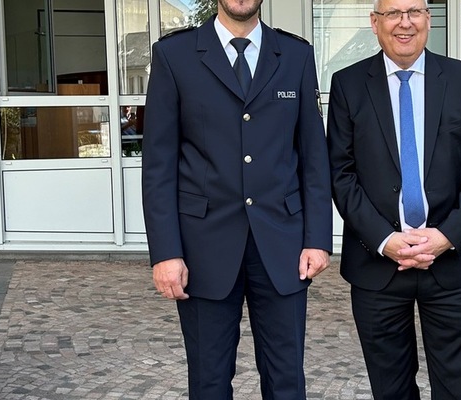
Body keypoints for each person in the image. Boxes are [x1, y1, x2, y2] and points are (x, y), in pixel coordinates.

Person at [141, 0, 333, 398]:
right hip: (202, 248)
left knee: (286, 381)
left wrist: (317, 238)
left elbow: (314, 156)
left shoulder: (295, 54)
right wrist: (165, 252)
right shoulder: (174, 55)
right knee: (209, 382)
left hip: (282, 245)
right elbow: (159, 165)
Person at [326, 0, 461, 398]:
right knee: (390, 389)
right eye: (392, 13)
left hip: (452, 263)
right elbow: (340, 172)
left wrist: (446, 235)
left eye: (414, 12)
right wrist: (386, 241)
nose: (405, 23)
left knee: (456, 387)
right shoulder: (348, 84)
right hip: (377, 266)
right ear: (375, 22)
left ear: (428, 19)